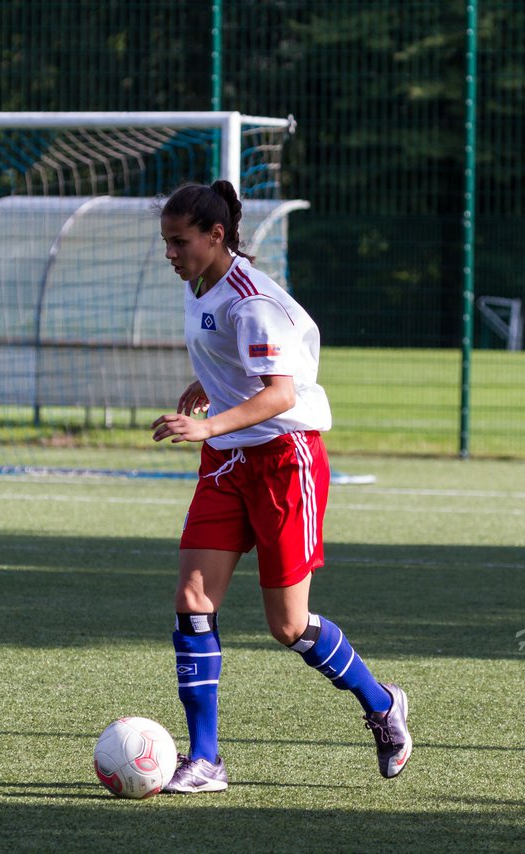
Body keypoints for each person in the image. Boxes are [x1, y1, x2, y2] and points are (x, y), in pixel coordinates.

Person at [151, 180, 411, 793]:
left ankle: (381, 703)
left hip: (282, 460)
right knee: (193, 599)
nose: (170, 253)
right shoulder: (199, 282)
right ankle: (206, 759)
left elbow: (281, 393)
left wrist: (208, 421)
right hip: (226, 460)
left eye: (179, 241)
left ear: (216, 236)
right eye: (165, 241)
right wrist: (210, 386)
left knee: (288, 626)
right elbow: (235, 364)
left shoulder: (253, 304)